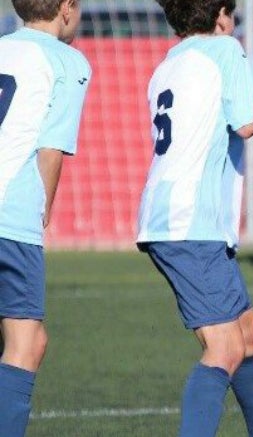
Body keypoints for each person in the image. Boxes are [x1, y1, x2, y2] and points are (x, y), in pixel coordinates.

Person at [136, 1, 253, 436]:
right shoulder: (225, 50)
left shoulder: (168, 64)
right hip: (189, 223)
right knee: (225, 346)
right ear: (220, 14)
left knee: (248, 334)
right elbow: (247, 123)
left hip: (178, 219)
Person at [0, 1, 91, 435]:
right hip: (10, 216)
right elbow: (50, 151)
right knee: (27, 343)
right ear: (66, 8)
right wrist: (42, 214)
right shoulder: (67, 61)